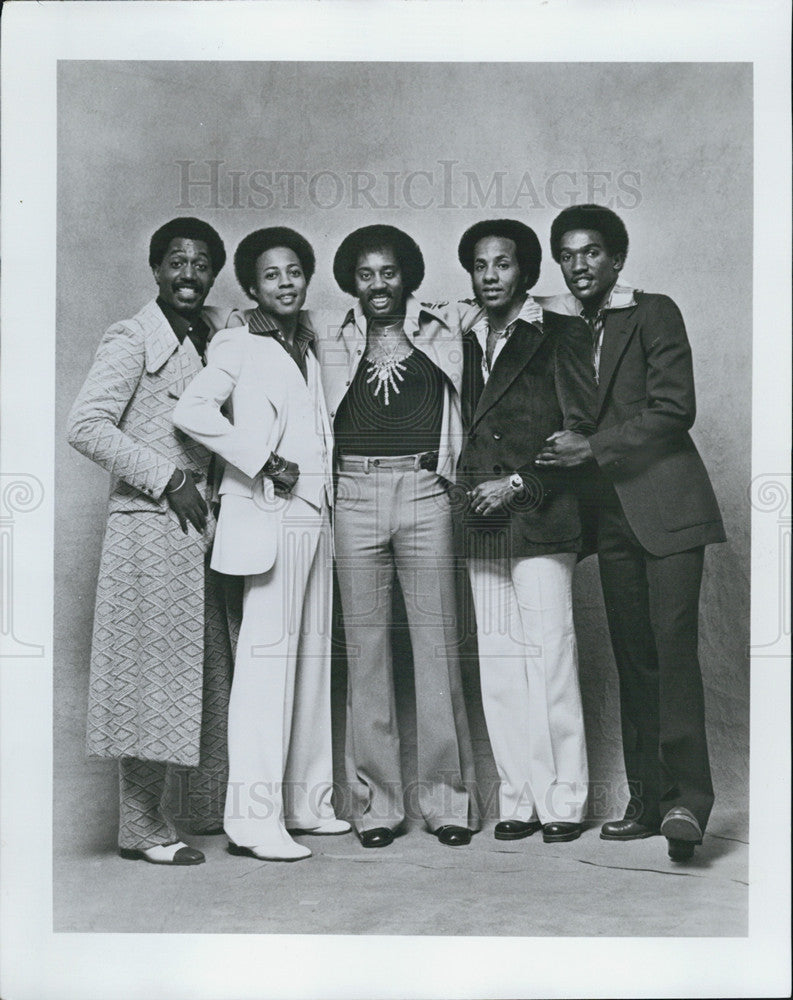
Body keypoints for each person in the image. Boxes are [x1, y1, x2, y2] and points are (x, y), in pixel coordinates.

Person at [536, 204, 726, 861]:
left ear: (616, 258)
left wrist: (589, 450)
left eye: (590, 252)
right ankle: (645, 802)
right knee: (633, 660)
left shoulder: (654, 311)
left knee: (672, 655)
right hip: (612, 517)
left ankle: (688, 804)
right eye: (566, 254)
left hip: (670, 509)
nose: (577, 264)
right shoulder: (562, 330)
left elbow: (674, 408)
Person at [67, 217, 240, 866]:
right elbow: (85, 425)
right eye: (176, 262)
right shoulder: (132, 336)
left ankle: (198, 811)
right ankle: (141, 827)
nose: (188, 275)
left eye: (200, 264)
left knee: (203, 675)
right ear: (155, 269)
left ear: (214, 271)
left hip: (208, 527)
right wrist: (166, 478)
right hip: (148, 530)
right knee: (149, 677)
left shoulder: (222, 334)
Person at [173, 227, 350, 862]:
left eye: (295, 271)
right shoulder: (236, 341)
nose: (285, 282)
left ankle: (307, 803)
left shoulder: (310, 343)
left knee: (310, 662)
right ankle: (253, 821)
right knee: (264, 667)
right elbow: (193, 412)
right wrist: (262, 460)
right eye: (271, 274)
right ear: (251, 286)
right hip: (269, 514)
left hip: (315, 517)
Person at [316, 224, 479, 848]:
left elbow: (523, 303)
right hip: (353, 496)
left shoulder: (446, 322)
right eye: (365, 274)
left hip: (424, 490)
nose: (377, 284)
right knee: (367, 654)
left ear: (406, 275)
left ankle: (448, 804)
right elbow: (250, 310)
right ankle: (377, 806)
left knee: (437, 650)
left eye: (388, 272)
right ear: (352, 282)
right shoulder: (327, 332)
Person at [456, 219, 595, 845]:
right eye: (480, 265)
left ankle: (565, 799)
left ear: (527, 272)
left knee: (551, 656)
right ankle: (519, 796)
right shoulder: (458, 338)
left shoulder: (560, 332)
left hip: (539, 512)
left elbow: (578, 430)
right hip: (481, 520)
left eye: (503, 264)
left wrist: (517, 485)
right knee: (501, 661)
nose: (490, 276)